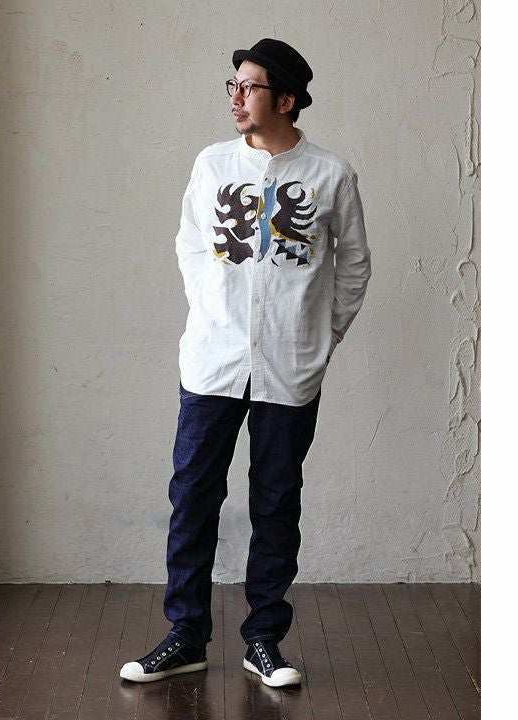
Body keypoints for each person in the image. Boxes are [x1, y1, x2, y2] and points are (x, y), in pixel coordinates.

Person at [119, 37, 372, 688]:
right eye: (232, 85)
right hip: (214, 360)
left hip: (289, 367)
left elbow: (353, 266)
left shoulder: (330, 175)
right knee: (193, 496)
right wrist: (211, 307)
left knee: (276, 501)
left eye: (250, 87)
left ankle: (264, 640)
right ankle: (186, 636)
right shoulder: (212, 165)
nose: (236, 97)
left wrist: (320, 338)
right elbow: (190, 244)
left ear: (285, 100)